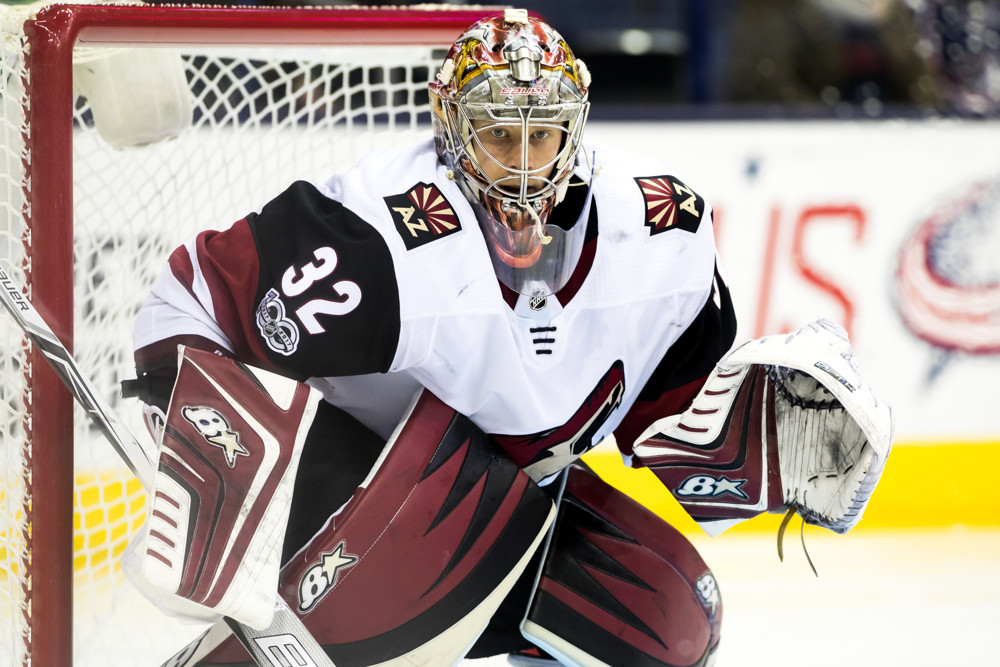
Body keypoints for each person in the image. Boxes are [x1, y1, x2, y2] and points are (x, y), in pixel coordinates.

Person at [124, 9, 892, 666]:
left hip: (491, 502)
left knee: (669, 612)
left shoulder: (662, 230)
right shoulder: (387, 242)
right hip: (364, 484)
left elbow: (677, 413)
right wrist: (211, 463)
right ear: (453, 131)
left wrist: (758, 444)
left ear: (577, 131)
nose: (524, 168)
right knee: (462, 510)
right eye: (498, 137)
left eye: (543, 137)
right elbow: (192, 302)